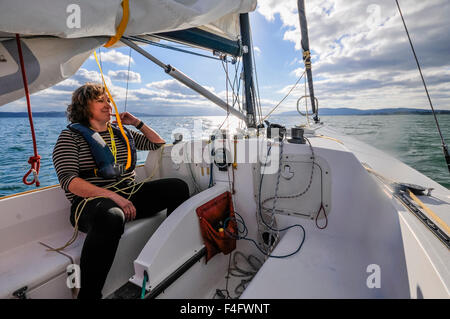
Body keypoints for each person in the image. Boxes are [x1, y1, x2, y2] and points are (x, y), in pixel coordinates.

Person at [52, 82, 190, 299]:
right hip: (91, 203)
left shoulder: (122, 133)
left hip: (129, 193)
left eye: (108, 100)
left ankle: (168, 252)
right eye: (100, 101)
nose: (108, 105)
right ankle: (89, 296)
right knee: (112, 217)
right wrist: (112, 196)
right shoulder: (70, 138)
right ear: (84, 107)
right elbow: (70, 181)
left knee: (178, 187)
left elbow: (158, 143)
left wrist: (136, 122)